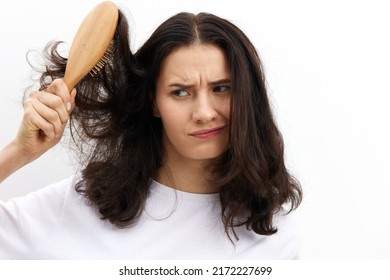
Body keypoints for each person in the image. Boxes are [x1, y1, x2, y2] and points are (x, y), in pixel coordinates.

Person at [0, 7, 302, 259]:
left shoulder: (274, 234)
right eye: (181, 92)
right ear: (153, 102)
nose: (205, 112)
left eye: (221, 88)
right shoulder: (81, 205)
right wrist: (19, 151)